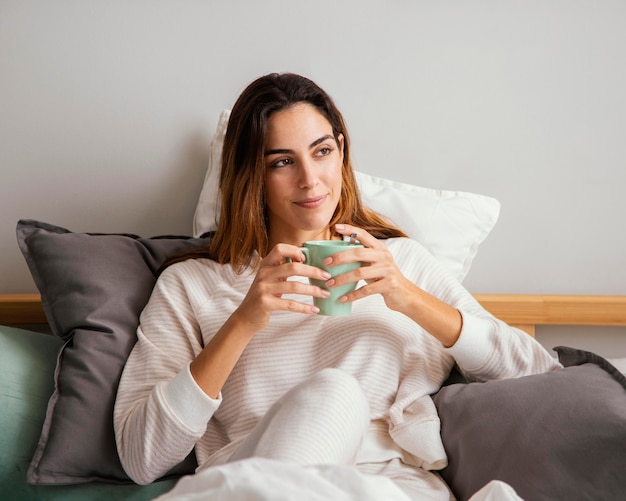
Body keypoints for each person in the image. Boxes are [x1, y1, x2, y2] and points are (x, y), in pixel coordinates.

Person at [114, 72, 561, 499]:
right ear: (251, 173)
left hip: (387, 485)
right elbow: (141, 457)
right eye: (283, 162)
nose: (310, 179)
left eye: (321, 151)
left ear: (341, 151)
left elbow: (538, 373)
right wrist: (245, 319)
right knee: (334, 394)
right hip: (260, 478)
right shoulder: (192, 284)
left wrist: (407, 297)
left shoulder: (399, 262)